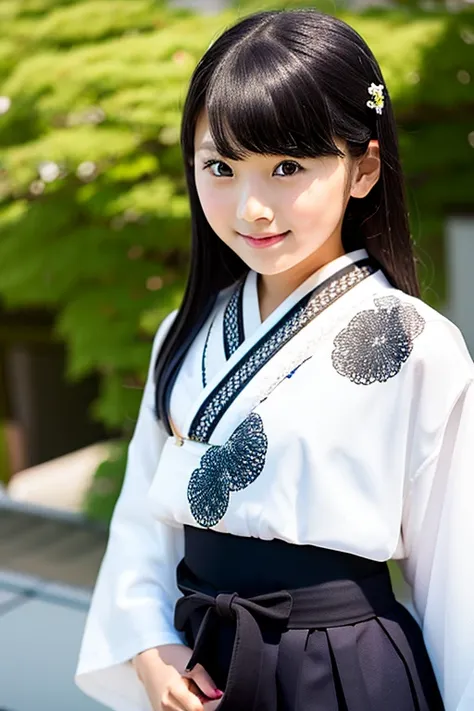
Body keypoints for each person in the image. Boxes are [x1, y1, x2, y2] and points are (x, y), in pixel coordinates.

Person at [74, 9, 474, 711]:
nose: (252, 206)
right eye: (220, 167)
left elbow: (459, 574)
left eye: (288, 166)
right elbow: (143, 516)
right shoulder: (185, 329)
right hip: (199, 659)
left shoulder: (419, 345)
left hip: (343, 673)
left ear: (364, 167)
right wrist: (146, 642)